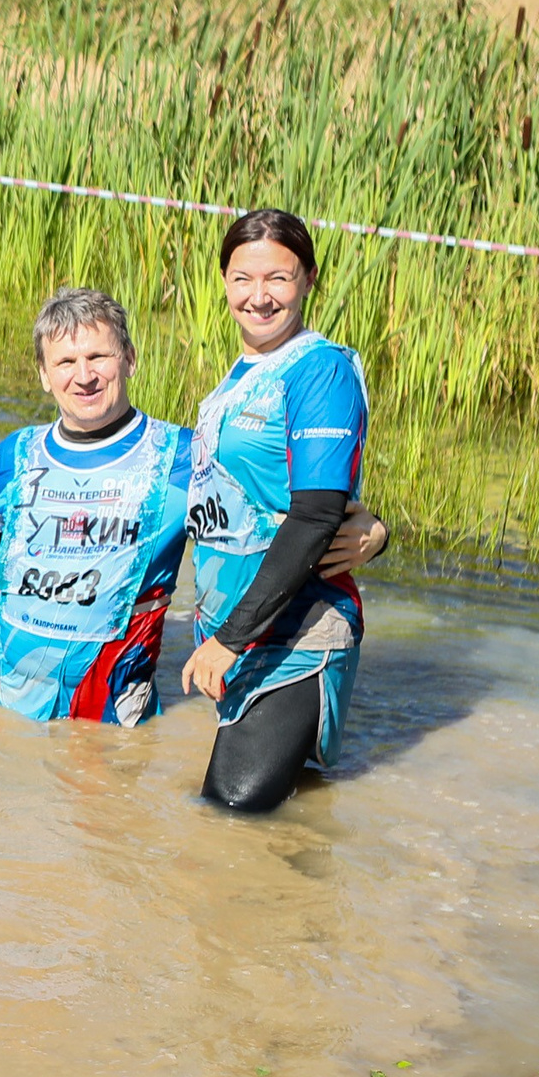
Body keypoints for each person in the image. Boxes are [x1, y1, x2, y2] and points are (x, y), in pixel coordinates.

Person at [0, 286, 385, 730]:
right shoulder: (16, 454)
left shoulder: (186, 457)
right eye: (65, 361)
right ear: (43, 374)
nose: (84, 375)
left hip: (110, 724)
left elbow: (280, 522)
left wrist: (375, 532)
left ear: (130, 360)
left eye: (99, 356)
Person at [176, 209, 373, 813]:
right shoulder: (237, 380)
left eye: (278, 279)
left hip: (296, 632)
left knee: (231, 817)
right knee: (291, 814)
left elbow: (315, 516)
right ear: (224, 281)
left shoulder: (320, 370)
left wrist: (230, 641)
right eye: (242, 279)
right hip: (240, 629)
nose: (258, 298)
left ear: (309, 279)